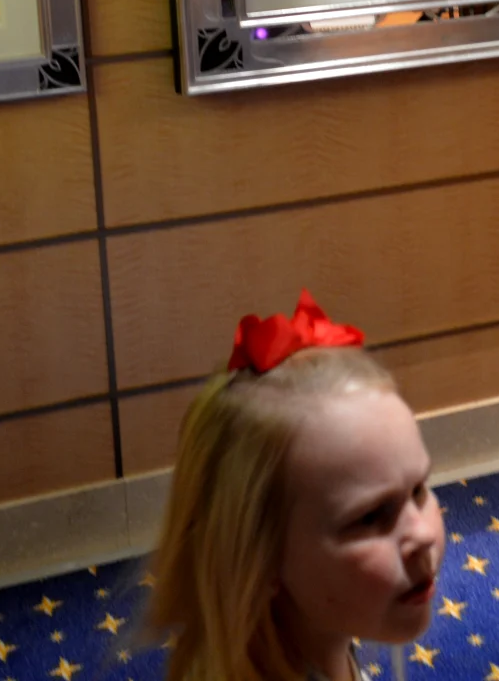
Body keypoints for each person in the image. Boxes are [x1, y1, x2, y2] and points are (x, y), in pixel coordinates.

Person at [148, 291, 445, 681]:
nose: (423, 534)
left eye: (418, 490)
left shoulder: (320, 629)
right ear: (260, 558)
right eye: (371, 516)